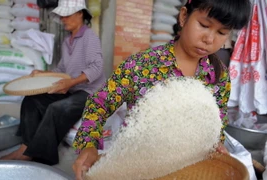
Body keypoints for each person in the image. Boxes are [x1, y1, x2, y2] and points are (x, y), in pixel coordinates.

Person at [73, 0, 251, 179]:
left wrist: (217, 144)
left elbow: (217, 122)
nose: (209, 39)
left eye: (222, 33)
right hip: (138, 168)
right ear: (183, 16)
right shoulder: (142, 66)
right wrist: (88, 144)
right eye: (204, 25)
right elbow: (99, 104)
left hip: (189, 170)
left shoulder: (219, 77)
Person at [0, 0, 105, 165]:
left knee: (57, 109)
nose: (63, 19)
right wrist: (43, 73)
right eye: (62, 16)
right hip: (72, 89)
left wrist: (70, 83)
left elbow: (97, 67)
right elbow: (62, 69)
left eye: (67, 15)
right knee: (31, 101)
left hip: (89, 92)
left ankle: (39, 156)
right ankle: (25, 147)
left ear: (80, 14)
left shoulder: (89, 37)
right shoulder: (67, 41)